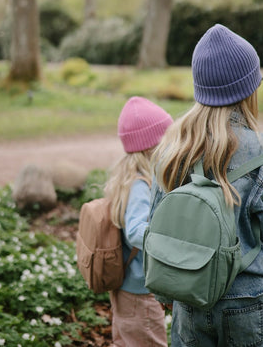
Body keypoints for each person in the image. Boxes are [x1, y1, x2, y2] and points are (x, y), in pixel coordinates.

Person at [150, 24, 263, 347]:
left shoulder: (173, 148)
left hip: (188, 297)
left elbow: (156, 226)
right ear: (248, 90)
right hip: (247, 299)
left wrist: (165, 289)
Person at [105, 96, 173, 347]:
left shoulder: (130, 179)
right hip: (140, 294)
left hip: (129, 290)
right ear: (150, 147)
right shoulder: (139, 185)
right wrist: (168, 242)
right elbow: (135, 231)